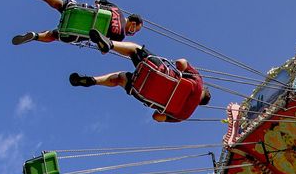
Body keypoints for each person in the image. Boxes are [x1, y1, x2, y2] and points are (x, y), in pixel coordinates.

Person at [70, 35, 211, 123]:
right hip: (143, 92)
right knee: (121, 78)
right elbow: (157, 118)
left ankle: (110, 45)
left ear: (204, 90)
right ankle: (93, 81)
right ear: (199, 104)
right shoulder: (183, 116)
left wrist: (179, 70)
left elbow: (180, 62)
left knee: (135, 49)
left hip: (155, 71)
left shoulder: (198, 82)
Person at [13, 0, 142, 46]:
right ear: (133, 23)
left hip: (80, 12)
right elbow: (105, 46)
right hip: (78, 33)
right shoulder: (120, 36)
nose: (133, 32)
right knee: (54, 36)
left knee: (62, 5)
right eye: (135, 30)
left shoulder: (117, 9)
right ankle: (35, 36)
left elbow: (97, 0)